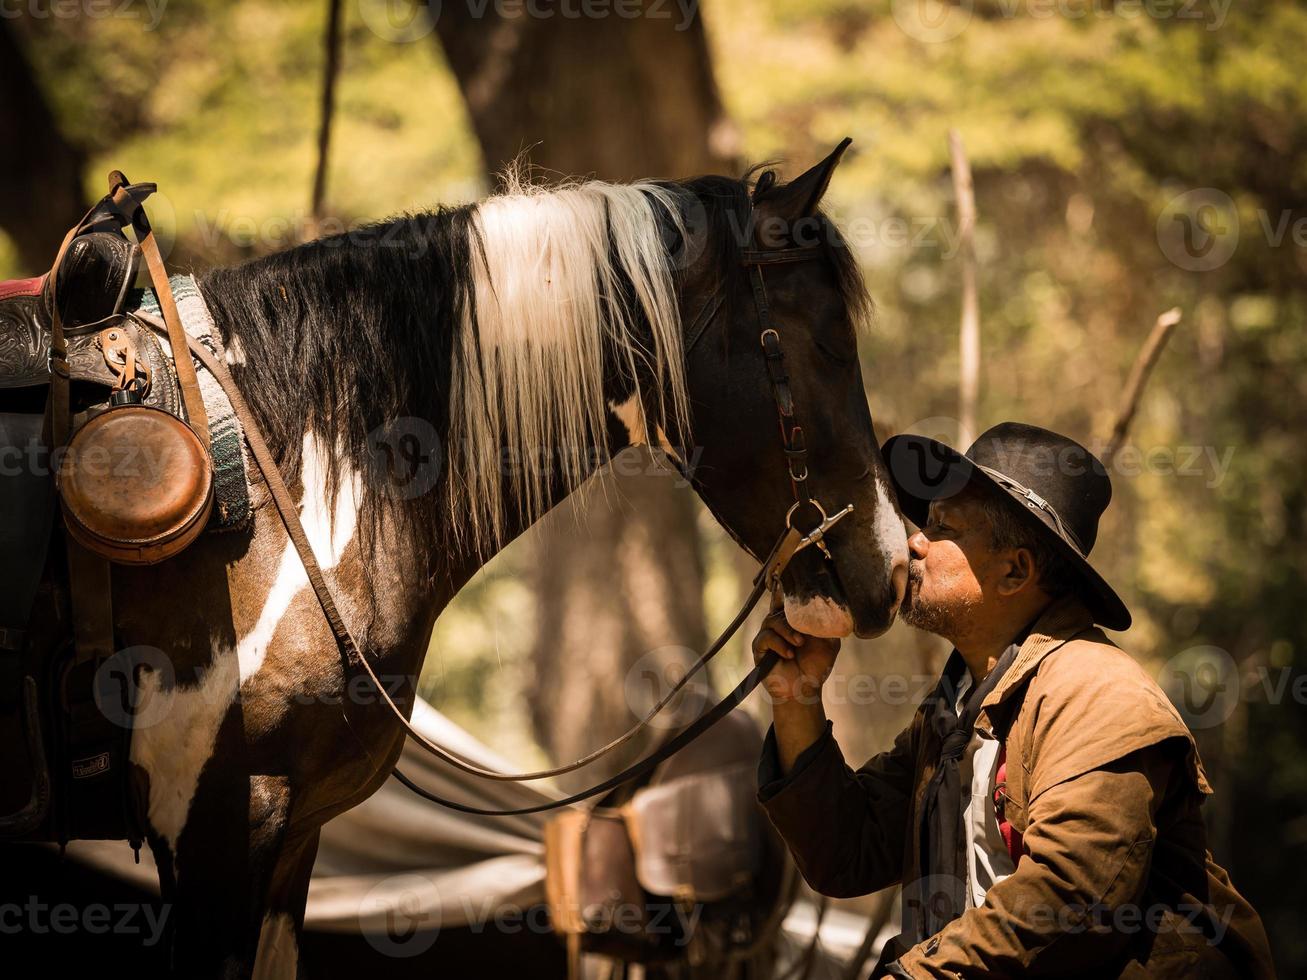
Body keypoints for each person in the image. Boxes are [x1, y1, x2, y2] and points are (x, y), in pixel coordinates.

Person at [752, 422, 1275, 978]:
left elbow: (1072, 899)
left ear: (1015, 570)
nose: (915, 542)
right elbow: (846, 854)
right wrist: (796, 696)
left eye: (943, 526)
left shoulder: (1097, 691)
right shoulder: (955, 710)